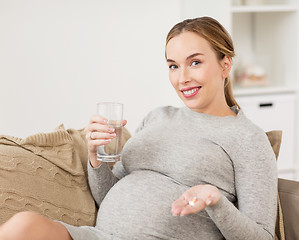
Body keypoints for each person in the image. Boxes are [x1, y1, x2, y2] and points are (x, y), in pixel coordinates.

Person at [0, 16, 277, 240]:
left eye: (195, 62)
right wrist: (96, 159)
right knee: (24, 225)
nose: (183, 78)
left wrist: (217, 202)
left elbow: (263, 236)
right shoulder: (158, 117)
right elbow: (109, 195)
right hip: (98, 236)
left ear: (225, 64)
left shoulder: (247, 138)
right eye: (173, 66)